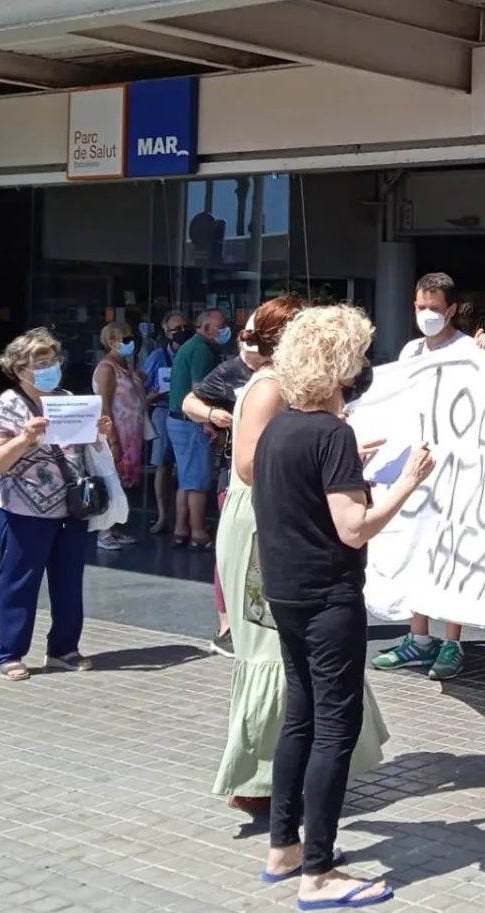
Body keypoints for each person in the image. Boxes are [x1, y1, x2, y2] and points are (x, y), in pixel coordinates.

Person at [254, 304, 432, 909]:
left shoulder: (282, 426)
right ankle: (320, 872)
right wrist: (407, 480)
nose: (360, 366)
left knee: (300, 718)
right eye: (355, 356)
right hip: (329, 595)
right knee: (335, 726)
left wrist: (350, 463)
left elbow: (305, 497)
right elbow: (354, 528)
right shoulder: (331, 434)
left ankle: (284, 847)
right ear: (336, 363)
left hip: (286, 590)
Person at [213, 297, 390, 822]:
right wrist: (332, 458)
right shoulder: (271, 389)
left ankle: (291, 787)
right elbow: (250, 463)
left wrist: (334, 460)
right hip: (268, 521)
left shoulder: (291, 394)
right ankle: (264, 780)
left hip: (280, 514)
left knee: (297, 663)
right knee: (278, 653)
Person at [375, 272, 479, 681]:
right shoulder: (410, 351)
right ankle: (417, 638)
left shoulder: (470, 351)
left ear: (451, 309)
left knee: (452, 549)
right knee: (417, 546)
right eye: (421, 307)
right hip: (415, 466)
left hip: (457, 468)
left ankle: (452, 641)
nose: (427, 315)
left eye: (434, 308)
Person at [0, 328, 113, 681]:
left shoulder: (65, 398)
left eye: (53, 360)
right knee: (19, 581)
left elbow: (82, 448)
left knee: (69, 580)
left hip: (71, 507)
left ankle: (64, 649)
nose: (50, 367)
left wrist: (98, 431)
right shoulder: (6, 406)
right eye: (40, 362)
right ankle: (9, 652)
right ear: (19, 369)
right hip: (23, 510)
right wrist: (26, 438)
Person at [184, 318, 261, 654]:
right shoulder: (231, 370)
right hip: (234, 472)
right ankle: (226, 624)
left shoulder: (282, 371)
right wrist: (214, 414)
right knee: (229, 551)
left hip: (270, 471)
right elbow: (190, 403)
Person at [167, 308, 229, 549]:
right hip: (190, 422)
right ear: (205, 328)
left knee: (186, 479)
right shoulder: (202, 350)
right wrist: (207, 422)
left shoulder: (191, 347)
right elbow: (200, 390)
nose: (225, 329)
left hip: (178, 420)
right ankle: (198, 533)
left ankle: (181, 529)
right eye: (220, 325)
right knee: (199, 481)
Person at [92, 320, 146, 551]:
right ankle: (104, 530)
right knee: (111, 478)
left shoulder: (124, 366)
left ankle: (115, 527)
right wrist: (113, 439)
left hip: (132, 433)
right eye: (126, 339)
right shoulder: (107, 368)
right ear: (112, 342)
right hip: (117, 433)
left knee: (123, 481)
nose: (131, 343)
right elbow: (105, 406)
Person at [143, 310, 188, 535]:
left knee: (186, 469)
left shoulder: (192, 352)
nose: (180, 333)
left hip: (188, 415)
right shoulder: (157, 356)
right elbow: (143, 393)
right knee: (162, 465)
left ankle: (184, 518)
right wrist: (156, 394)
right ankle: (162, 515)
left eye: (183, 328)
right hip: (162, 412)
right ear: (165, 331)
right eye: (175, 329)